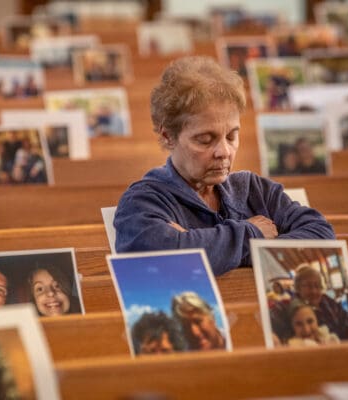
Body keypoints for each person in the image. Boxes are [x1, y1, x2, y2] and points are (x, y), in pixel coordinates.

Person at [113, 56, 335, 275]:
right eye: (205, 140)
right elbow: (168, 262)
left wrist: (209, 249)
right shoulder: (143, 201)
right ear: (168, 136)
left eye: (231, 137)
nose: (224, 152)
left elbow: (322, 235)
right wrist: (253, 233)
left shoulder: (255, 190)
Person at [270, 265, 348, 343]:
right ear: (297, 288)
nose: (314, 291)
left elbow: (346, 324)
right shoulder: (288, 307)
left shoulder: (328, 302)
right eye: (308, 286)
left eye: (317, 286)